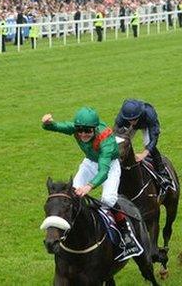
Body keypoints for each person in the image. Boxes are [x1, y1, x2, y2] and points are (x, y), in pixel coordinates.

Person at [41, 107, 142, 261]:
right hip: (89, 162)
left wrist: (89, 186)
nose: (83, 134)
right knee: (71, 195)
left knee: (108, 200)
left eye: (87, 131)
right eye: (80, 130)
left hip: (108, 165)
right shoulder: (77, 129)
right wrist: (47, 123)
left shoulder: (106, 141)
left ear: (94, 129)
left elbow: (103, 171)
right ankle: (71, 231)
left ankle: (126, 234)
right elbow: (56, 127)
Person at [114, 99, 173, 188]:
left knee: (148, 144)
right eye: (130, 120)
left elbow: (154, 138)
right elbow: (116, 134)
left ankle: (163, 174)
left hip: (146, 125)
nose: (132, 122)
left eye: (134, 119)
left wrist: (144, 154)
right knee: (120, 144)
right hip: (129, 127)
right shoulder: (122, 118)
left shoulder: (150, 114)